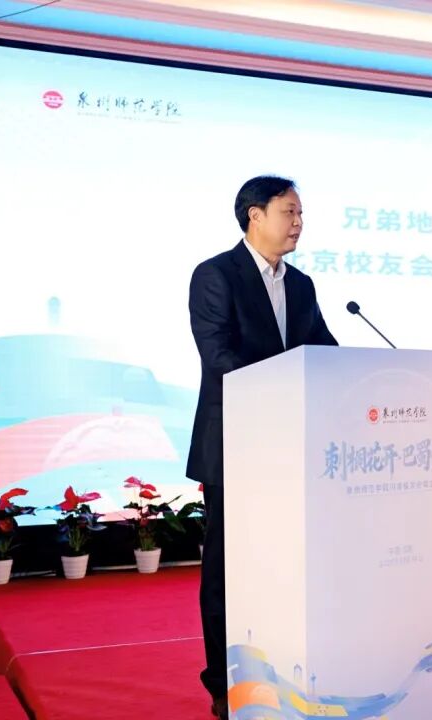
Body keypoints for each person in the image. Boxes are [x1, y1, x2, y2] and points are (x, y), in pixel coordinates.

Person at [186, 175, 337, 718]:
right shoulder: (216, 275)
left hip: (290, 450)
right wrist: (286, 384)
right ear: (255, 215)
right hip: (236, 446)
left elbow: (323, 350)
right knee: (228, 571)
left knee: (286, 566)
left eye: (300, 213)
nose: (299, 222)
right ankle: (223, 684)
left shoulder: (301, 285)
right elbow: (219, 356)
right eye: (289, 211)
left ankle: (283, 672)